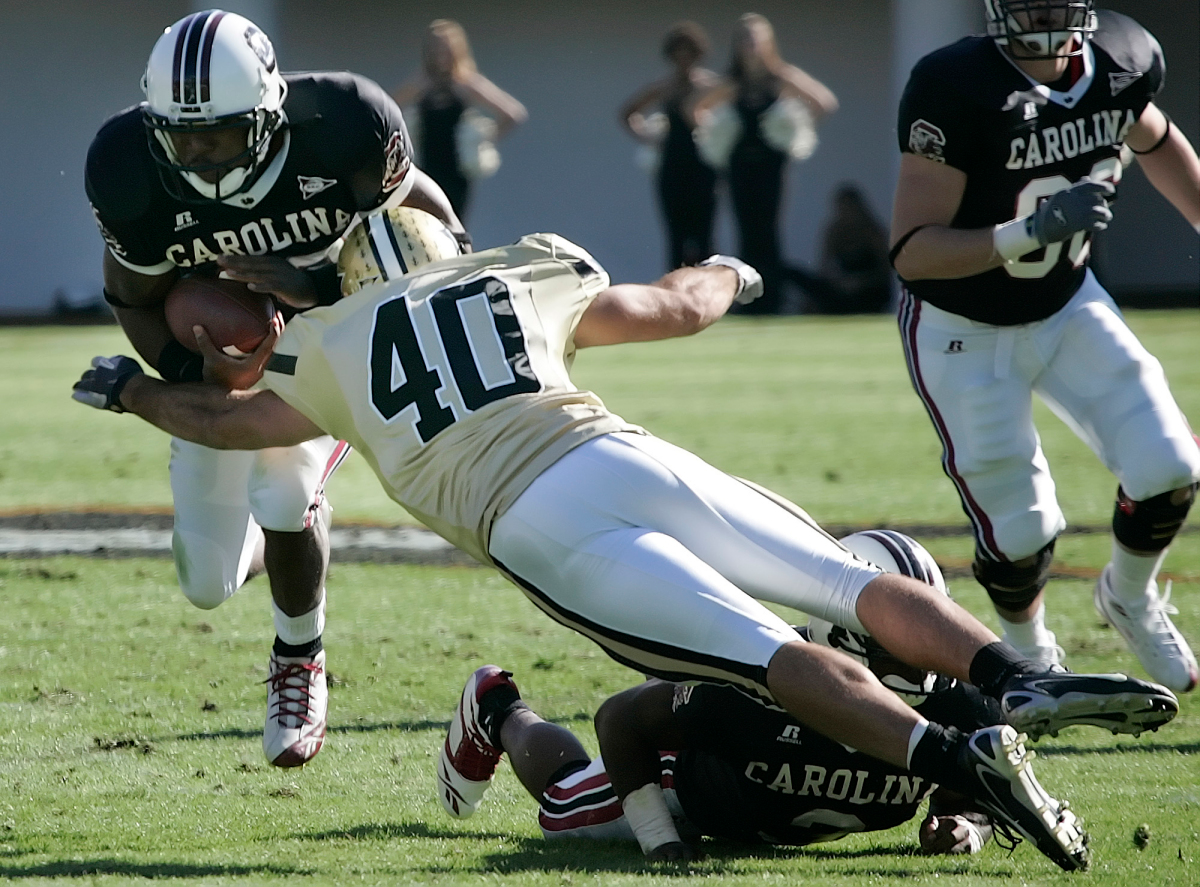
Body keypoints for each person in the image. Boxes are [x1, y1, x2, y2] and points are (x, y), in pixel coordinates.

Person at [74, 206, 1182, 873]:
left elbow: (225, 418)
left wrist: (130, 390)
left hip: (542, 518)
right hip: (622, 452)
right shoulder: (519, 270)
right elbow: (679, 306)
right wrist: (732, 270)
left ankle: (961, 757)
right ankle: (1007, 675)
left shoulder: (325, 345)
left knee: (764, 653)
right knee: (840, 578)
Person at [83, 9, 467, 768]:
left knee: (290, 494)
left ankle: (300, 657)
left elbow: (437, 242)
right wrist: (201, 374)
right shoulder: (128, 164)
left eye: (216, 132)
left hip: (329, 338)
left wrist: (318, 283)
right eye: (179, 133)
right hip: (222, 357)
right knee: (206, 581)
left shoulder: (346, 125)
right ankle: (271, 530)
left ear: (266, 115)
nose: (193, 150)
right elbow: (132, 297)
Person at [888, 0, 1200, 689]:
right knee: (1021, 526)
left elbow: (1154, 135)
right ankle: (1029, 652)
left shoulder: (1121, 57)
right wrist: (1028, 231)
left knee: (1171, 463)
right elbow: (913, 252)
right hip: (962, 327)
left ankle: (1130, 596)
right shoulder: (956, 85)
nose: (1041, 10)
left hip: (1067, 304)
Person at [437, 531, 1004, 861]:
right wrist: (659, 838)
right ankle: (498, 707)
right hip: (684, 781)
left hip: (762, 811)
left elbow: (970, 790)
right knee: (562, 807)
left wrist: (967, 825)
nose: (921, 655)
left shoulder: (962, 701)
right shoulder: (760, 685)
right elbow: (619, 720)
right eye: (899, 637)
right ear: (845, 630)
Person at [693, 13, 838, 314]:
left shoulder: (781, 78)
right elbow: (696, 108)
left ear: (768, 43)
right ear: (737, 45)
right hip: (738, 166)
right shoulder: (732, 83)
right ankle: (749, 300)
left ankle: (772, 299)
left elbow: (824, 103)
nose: (751, 45)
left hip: (772, 167)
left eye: (757, 39)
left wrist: (796, 131)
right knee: (745, 230)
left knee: (769, 230)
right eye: (745, 39)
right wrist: (715, 133)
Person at [391, 19, 527, 220]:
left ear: (457, 50)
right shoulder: (421, 83)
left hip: (457, 171)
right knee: (426, 220)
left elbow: (513, 114)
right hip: (425, 165)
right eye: (435, 48)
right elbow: (387, 108)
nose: (440, 54)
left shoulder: (466, 83)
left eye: (445, 48)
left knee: (453, 221)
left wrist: (482, 141)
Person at [619, 22, 720, 271]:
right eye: (678, 52)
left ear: (698, 54)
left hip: (704, 164)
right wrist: (647, 137)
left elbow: (727, 116)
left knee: (704, 232)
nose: (683, 57)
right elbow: (628, 112)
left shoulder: (711, 85)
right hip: (672, 163)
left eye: (689, 51)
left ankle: (707, 289)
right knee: (676, 232)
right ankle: (675, 292)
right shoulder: (664, 87)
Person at [790, 183, 893, 315]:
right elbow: (825, 266)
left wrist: (860, 282)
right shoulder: (834, 231)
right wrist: (839, 282)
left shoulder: (872, 232)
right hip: (841, 289)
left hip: (868, 291)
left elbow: (886, 270)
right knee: (795, 275)